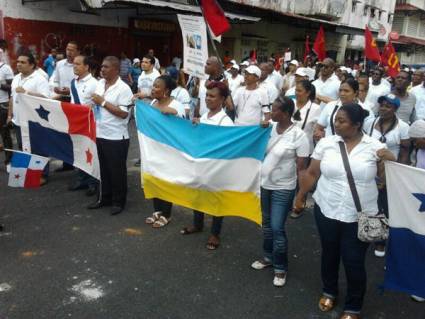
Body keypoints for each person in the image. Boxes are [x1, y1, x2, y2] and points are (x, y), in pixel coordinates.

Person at [294, 103, 395, 319]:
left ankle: (353, 306)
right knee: (329, 254)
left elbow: (387, 181)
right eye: (335, 120)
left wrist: (389, 160)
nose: (336, 124)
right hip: (326, 209)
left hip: (358, 215)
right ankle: (329, 291)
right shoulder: (327, 143)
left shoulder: (374, 147)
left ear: (357, 125)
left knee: (353, 261)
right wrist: (301, 195)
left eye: (342, 121)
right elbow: (312, 173)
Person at [251, 95, 309, 286]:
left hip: (284, 187)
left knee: (277, 227)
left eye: (275, 110)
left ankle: (280, 267)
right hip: (264, 184)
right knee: (266, 224)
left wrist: (301, 196)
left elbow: (302, 169)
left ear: (285, 114)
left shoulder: (298, 136)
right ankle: (268, 257)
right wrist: (258, 130)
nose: (271, 112)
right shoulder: (268, 129)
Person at [180, 81, 233, 249]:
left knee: (216, 201)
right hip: (201, 165)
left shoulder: (225, 122)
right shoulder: (204, 116)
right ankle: (198, 224)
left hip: (216, 168)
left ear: (223, 99)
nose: (208, 99)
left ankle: (215, 233)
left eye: (212, 96)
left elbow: (227, 148)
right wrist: (196, 124)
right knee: (198, 195)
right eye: (207, 95)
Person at [363, 94, 410, 257]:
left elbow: (404, 152)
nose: (383, 108)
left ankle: (381, 241)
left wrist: (398, 173)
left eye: (388, 106)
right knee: (368, 201)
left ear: (395, 109)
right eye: (382, 105)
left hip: (390, 171)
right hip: (370, 168)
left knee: (384, 206)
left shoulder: (402, 127)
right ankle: (365, 230)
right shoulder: (369, 123)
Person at [88, 56, 133, 216]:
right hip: (99, 133)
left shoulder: (124, 88)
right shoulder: (100, 83)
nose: (102, 69)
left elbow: (123, 113)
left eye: (106, 67)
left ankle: (118, 201)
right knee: (103, 169)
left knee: (116, 171)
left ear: (116, 70)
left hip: (116, 137)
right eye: (102, 67)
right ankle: (104, 198)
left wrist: (102, 102)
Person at [144, 75, 185, 228]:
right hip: (154, 149)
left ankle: (166, 214)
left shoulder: (177, 104)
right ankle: (157, 211)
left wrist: (173, 113)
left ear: (166, 90)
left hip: (169, 151)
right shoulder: (153, 102)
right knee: (155, 179)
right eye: (153, 86)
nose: (153, 89)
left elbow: (183, 125)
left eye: (157, 86)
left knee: (166, 180)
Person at [7, 51, 50, 184]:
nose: (19, 64)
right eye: (18, 62)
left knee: (38, 148)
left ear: (31, 65)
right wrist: (10, 114)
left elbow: (46, 99)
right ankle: (26, 173)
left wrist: (27, 92)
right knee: (22, 147)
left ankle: (42, 175)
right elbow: (12, 97)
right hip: (18, 120)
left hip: (34, 121)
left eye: (23, 62)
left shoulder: (40, 79)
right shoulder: (16, 78)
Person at [68, 55, 99, 196]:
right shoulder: (73, 82)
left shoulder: (94, 83)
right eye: (74, 64)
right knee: (80, 152)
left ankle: (93, 183)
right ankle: (82, 180)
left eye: (78, 64)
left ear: (86, 67)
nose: (74, 66)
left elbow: (97, 105)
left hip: (89, 123)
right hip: (76, 123)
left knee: (90, 153)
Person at [50, 41, 80, 172]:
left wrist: (71, 91)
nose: (69, 52)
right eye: (68, 49)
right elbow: (54, 79)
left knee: (75, 133)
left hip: (75, 102)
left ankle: (79, 163)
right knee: (63, 132)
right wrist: (55, 87)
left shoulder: (81, 65)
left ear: (78, 52)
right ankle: (67, 163)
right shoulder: (60, 64)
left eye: (72, 50)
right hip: (61, 100)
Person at [293, 80, 321, 154]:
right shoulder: (290, 103)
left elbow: (318, 130)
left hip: (305, 150)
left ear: (308, 93)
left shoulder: (315, 108)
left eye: (299, 91)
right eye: (296, 90)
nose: (296, 93)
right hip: (287, 147)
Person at [0, 54, 14, 170]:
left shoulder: (5, 68)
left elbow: (12, 87)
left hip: (2, 105)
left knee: (5, 135)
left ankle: (9, 161)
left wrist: (0, 85)